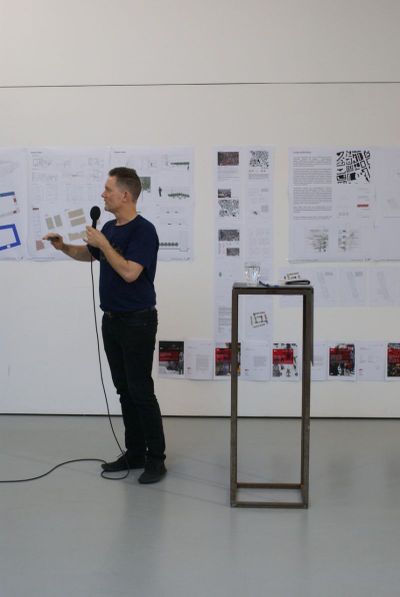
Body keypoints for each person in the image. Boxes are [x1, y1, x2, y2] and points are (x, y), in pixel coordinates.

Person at [44, 167, 166, 484]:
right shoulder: (110, 228)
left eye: (108, 189)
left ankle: (156, 459)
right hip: (112, 320)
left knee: (141, 391)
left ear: (125, 195)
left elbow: (130, 272)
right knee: (124, 391)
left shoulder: (144, 231)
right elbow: (91, 255)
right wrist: (64, 247)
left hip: (138, 321)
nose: (103, 194)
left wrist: (103, 243)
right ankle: (135, 453)